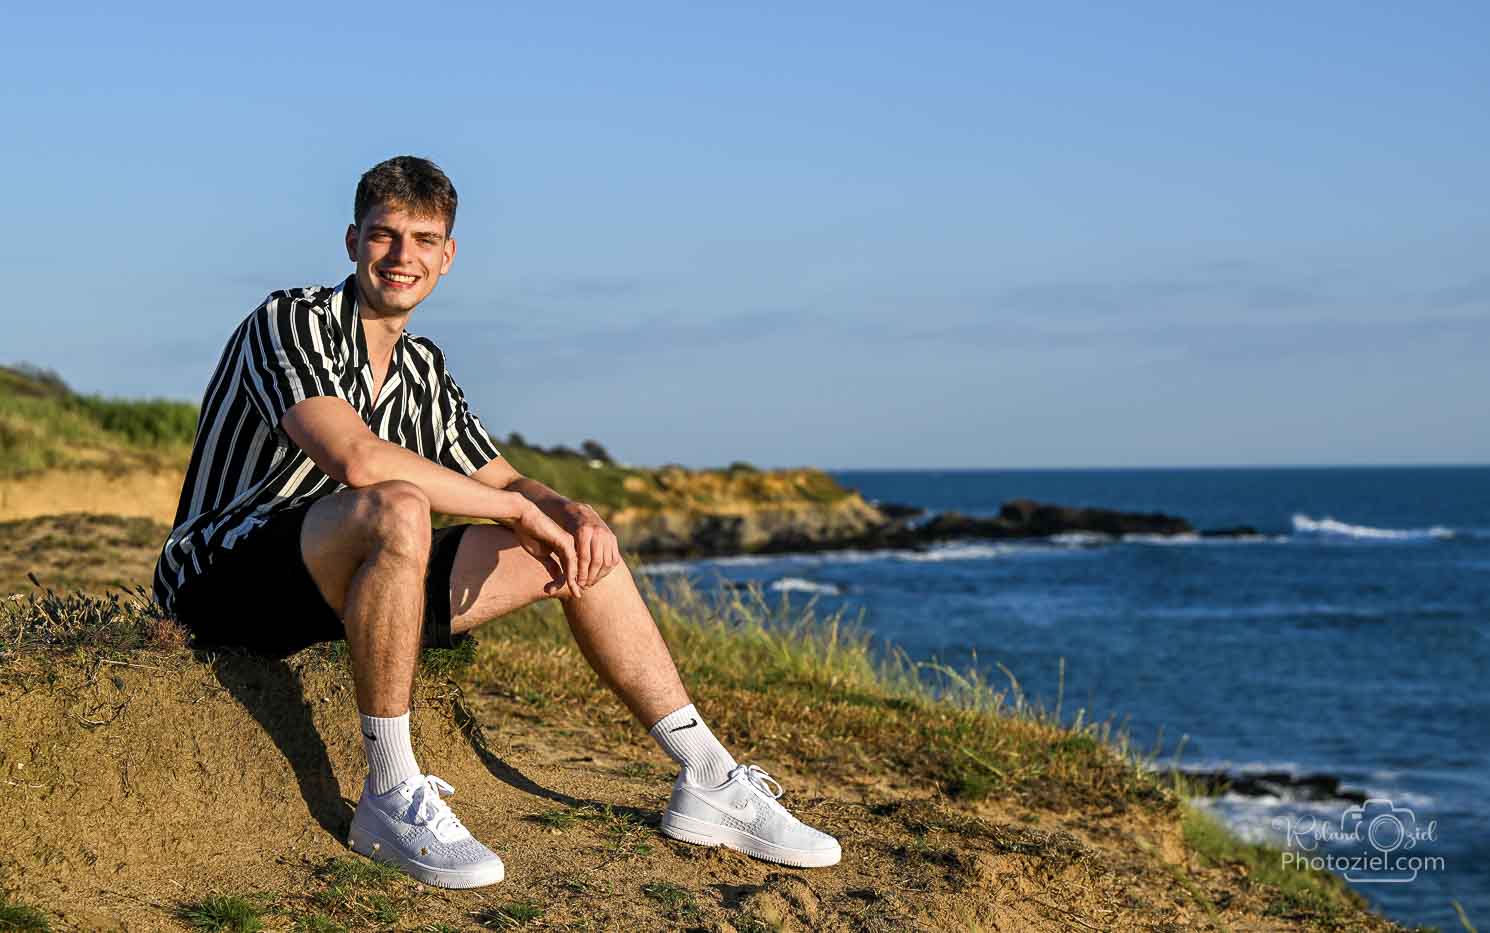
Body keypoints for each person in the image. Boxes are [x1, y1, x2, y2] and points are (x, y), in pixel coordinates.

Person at [151, 156, 841, 888]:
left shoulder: (421, 368)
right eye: (385, 235)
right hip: (220, 574)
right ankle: (388, 791)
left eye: (423, 239)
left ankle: (707, 776)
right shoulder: (289, 320)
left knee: (574, 542)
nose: (402, 255)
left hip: (333, 576)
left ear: (447, 257)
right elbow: (356, 458)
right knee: (398, 504)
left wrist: (565, 509)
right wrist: (516, 508)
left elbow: (503, 477)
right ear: (352, 241)